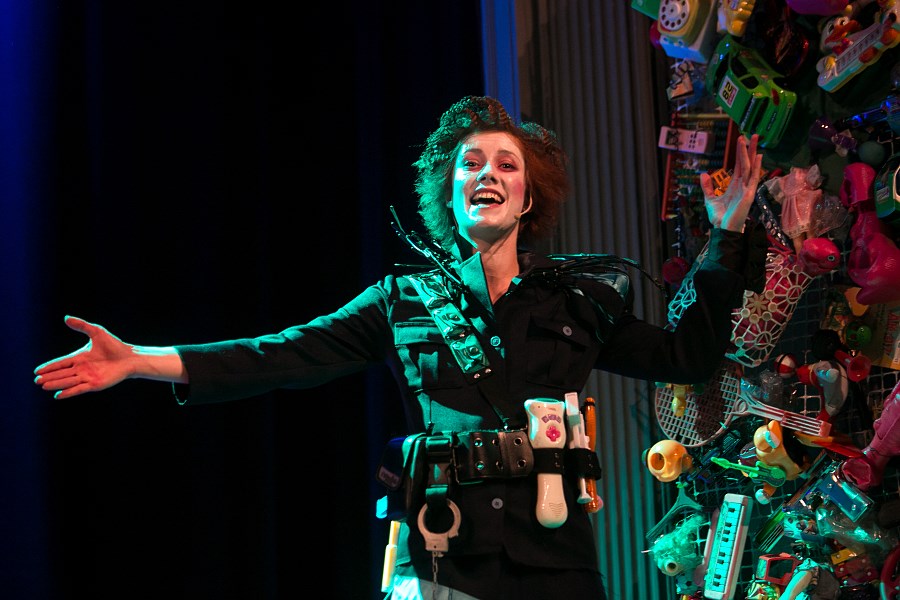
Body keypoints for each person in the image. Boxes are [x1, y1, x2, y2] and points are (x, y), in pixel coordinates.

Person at [34, 95, 764, 599]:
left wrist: (726, 235)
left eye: (506, 165)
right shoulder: (401, 301)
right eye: (471, 164)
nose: (488, 174)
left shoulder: (580, 300)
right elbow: (279, 353)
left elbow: (686, 359)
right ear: (448, 193)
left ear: (529, 196)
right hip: (444, 558)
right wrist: (138, 360)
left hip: (556, 558)